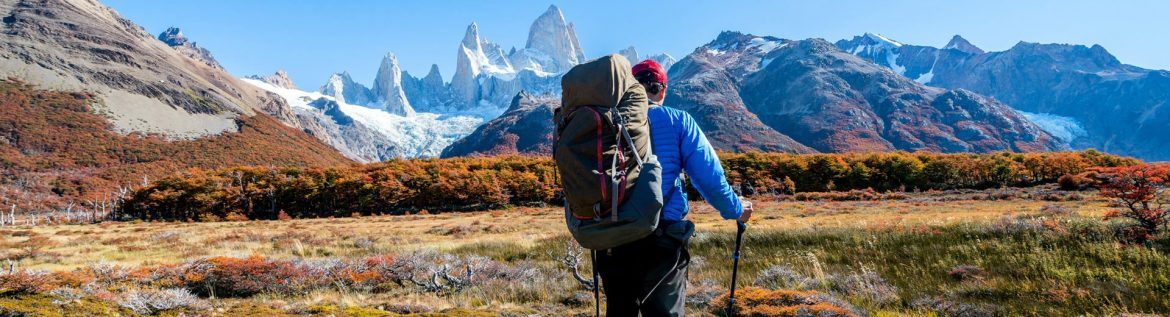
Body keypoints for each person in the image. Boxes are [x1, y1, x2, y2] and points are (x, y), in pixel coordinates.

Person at [595, 59, 754, 316]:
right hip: (661, 241)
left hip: (612, 239)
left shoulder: (607, 123)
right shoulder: (678, 121)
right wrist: (736, 209)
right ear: (663, 90)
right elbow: (709, 179)